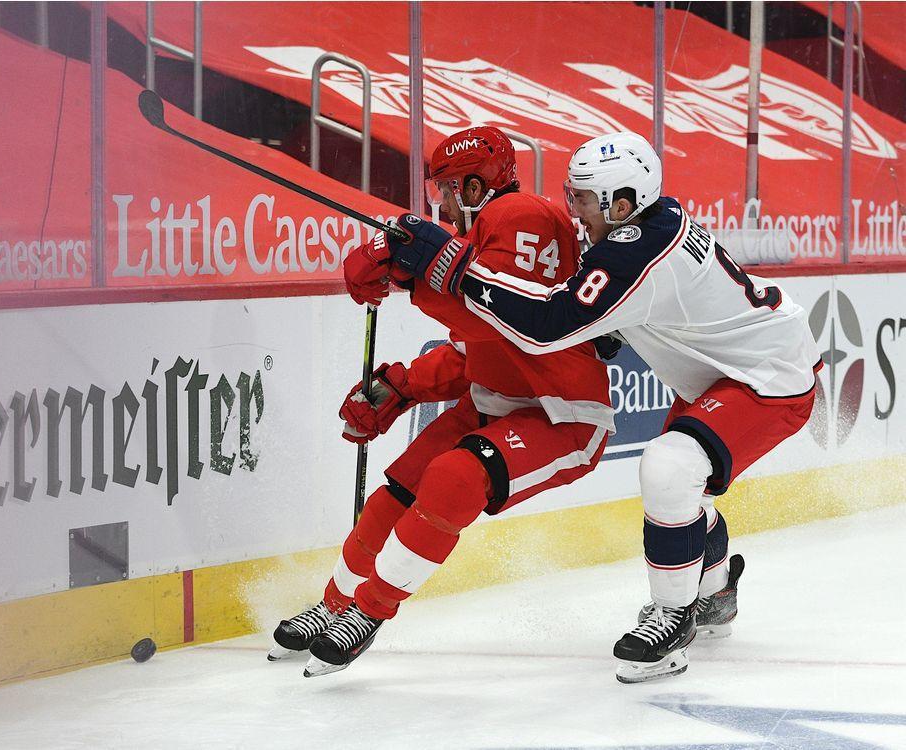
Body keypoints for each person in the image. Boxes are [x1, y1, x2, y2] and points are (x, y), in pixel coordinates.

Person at [381, 131, 821, 684]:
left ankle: (672, 617)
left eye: (583, 198)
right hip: (727, 367)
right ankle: (712, 594)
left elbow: (545, 327)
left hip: (766, 376)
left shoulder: (638, 249)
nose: (573, 210)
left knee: (670, 468)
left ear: (622, 203)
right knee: (686, 487)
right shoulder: (646, 225)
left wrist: (453, 268)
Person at [268, 126, 614, 677]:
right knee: (395, 493)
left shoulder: (521, 215)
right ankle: (332, 606)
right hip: (496, 402)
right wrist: (400, 387)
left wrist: (413, 275)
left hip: (562, 414)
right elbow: (471, 346)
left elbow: (501, 321)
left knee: (454, 477)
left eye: (448, 189)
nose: (442, 203)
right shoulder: (487, 232)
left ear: (475, 186)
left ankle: (369, 610)